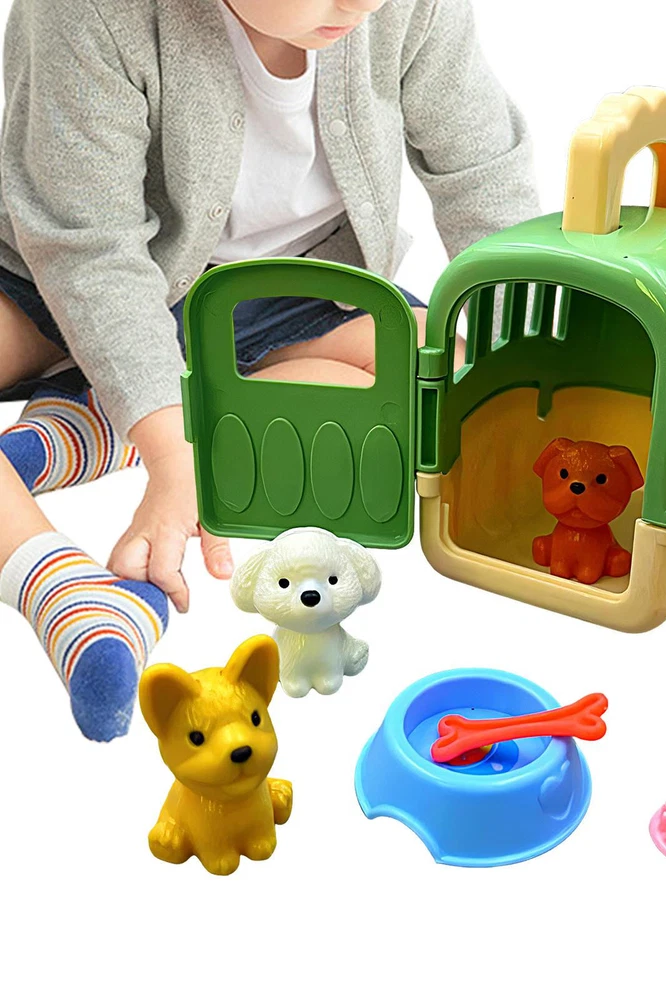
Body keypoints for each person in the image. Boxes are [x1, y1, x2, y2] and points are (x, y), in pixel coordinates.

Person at [0, 0, 539, 740]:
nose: (362, 4)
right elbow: (89, 250)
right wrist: (174, 451)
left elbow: (480, 171)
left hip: (293, 287)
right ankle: (63, 585)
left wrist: (533, 356)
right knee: (142, 376)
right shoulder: (89, 12)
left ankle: (104, 423)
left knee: (455, 404)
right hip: (51, 275)